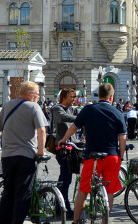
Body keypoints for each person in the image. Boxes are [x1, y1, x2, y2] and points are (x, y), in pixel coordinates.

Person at [58, 83, 126, 224]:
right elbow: (122, 138)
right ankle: (104, 221)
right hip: (112, 156)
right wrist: (121, 154)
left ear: (98, 95)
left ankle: (76, 221)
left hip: (93, 156)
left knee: (83, 190)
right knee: (110, 190)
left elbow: (73, 128)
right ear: (111, 97)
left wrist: (63, 140)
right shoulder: (118, 113)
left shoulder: (88, 109)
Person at [0, 81, 47, 224]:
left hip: (7, 157)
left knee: (8, 191)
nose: (39, 98)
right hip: (26, 156)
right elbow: (42, 130)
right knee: (23, 193)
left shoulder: (8, 105)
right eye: (38, 95)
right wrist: (40, 151)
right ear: (31, 95)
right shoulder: (34, 107)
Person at [51, 88, 78, 219]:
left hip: (73, 147)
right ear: (64, 97)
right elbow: (62, 118)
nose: (74, 99)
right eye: (72, 96)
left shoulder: (73, 109)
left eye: (74, 96)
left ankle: (60, 204)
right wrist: (79, 119)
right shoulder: (57, 109)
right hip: (62, 148)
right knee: (65, 178)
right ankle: (63, 206)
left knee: (67, 178)